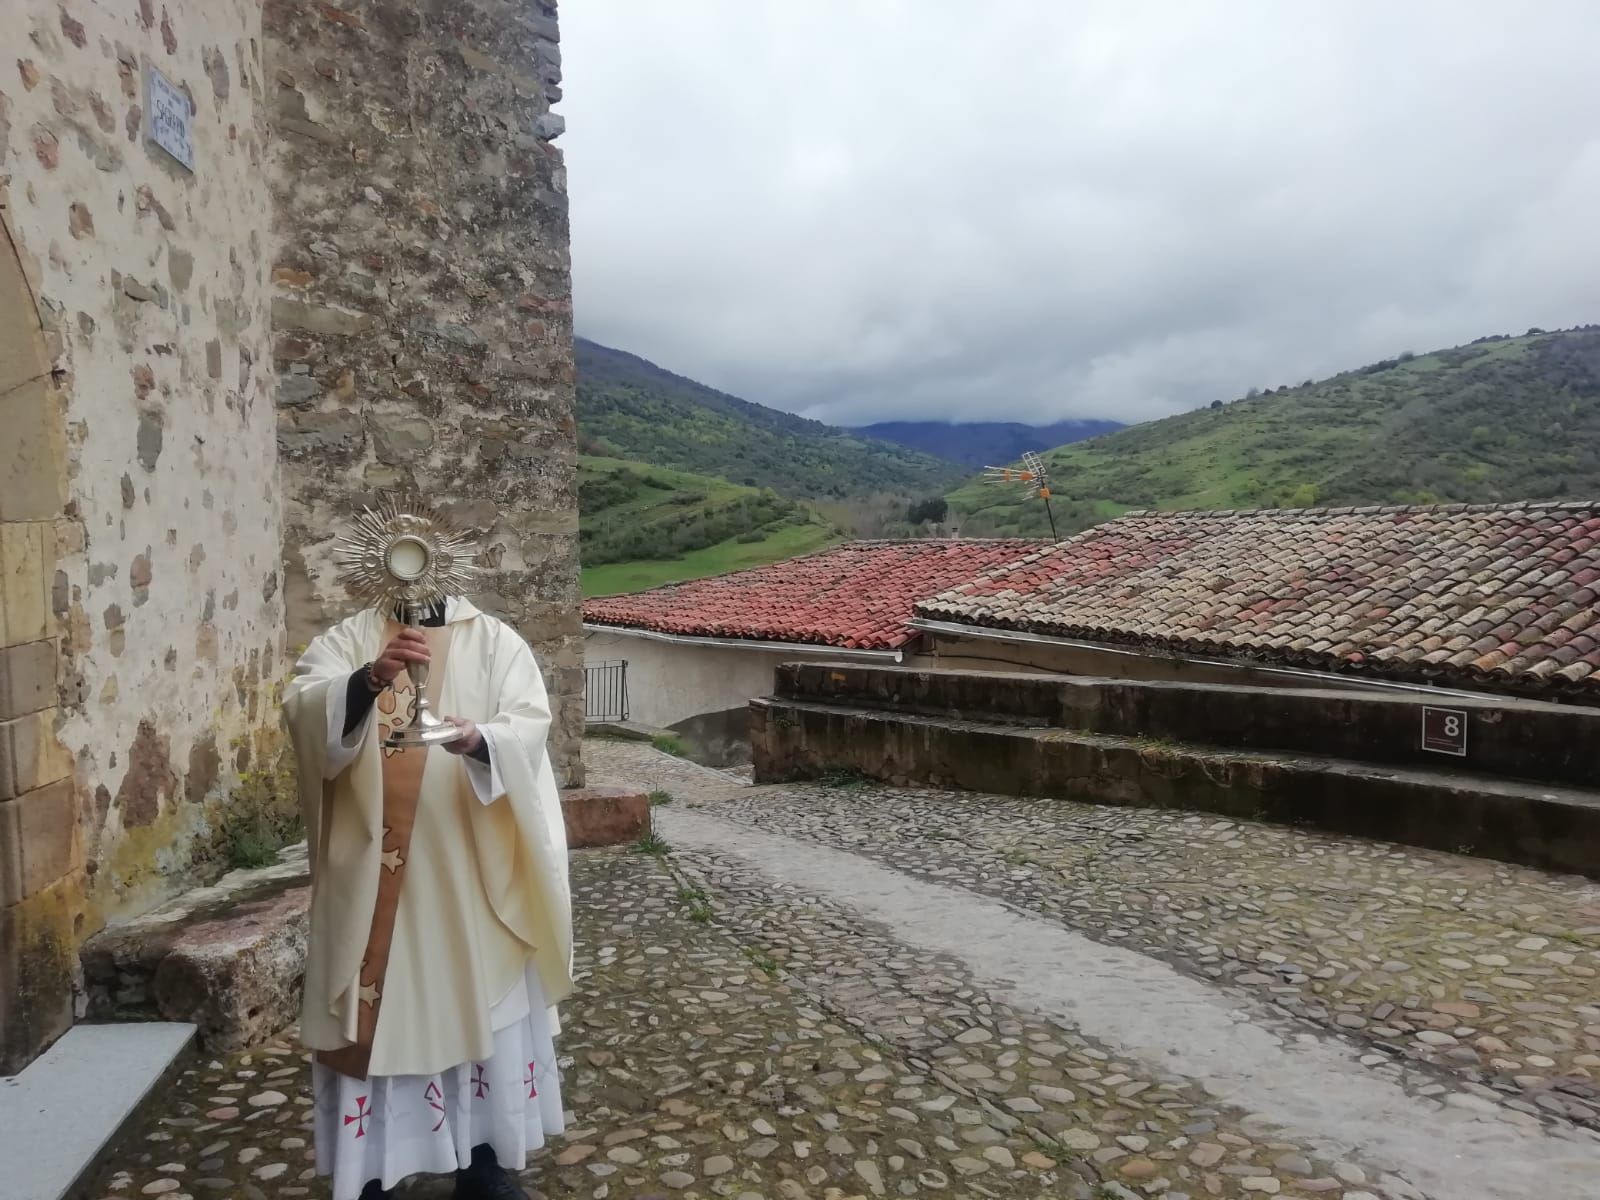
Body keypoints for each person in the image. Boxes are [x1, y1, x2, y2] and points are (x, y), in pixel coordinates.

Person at [282, 596, 573, 1200]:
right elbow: (305, 713)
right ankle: (372, 1172)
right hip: (374, 879)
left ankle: (487, 1163)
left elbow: (530, 724)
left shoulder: (494, 641)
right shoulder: (352, 637)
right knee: (379, 1020)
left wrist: (480, 739)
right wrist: (368, 681)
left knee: (485, 1011)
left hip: (471, 872)